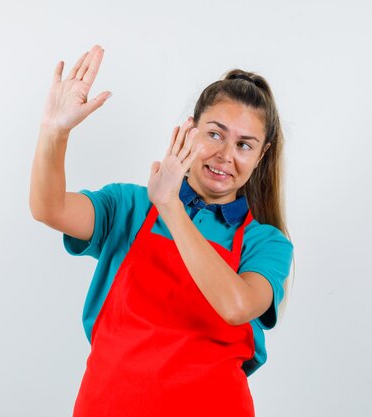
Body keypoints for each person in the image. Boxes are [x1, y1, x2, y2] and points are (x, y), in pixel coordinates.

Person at [30, 44, 293, 417]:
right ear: (190, 129)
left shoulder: (265, 243)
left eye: (244, 145)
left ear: (261, 155)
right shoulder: (130, 207)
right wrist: (53, 133)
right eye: (215, 135)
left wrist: (170, 205)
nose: (225, 155)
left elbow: (236, 307)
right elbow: (48, 208)